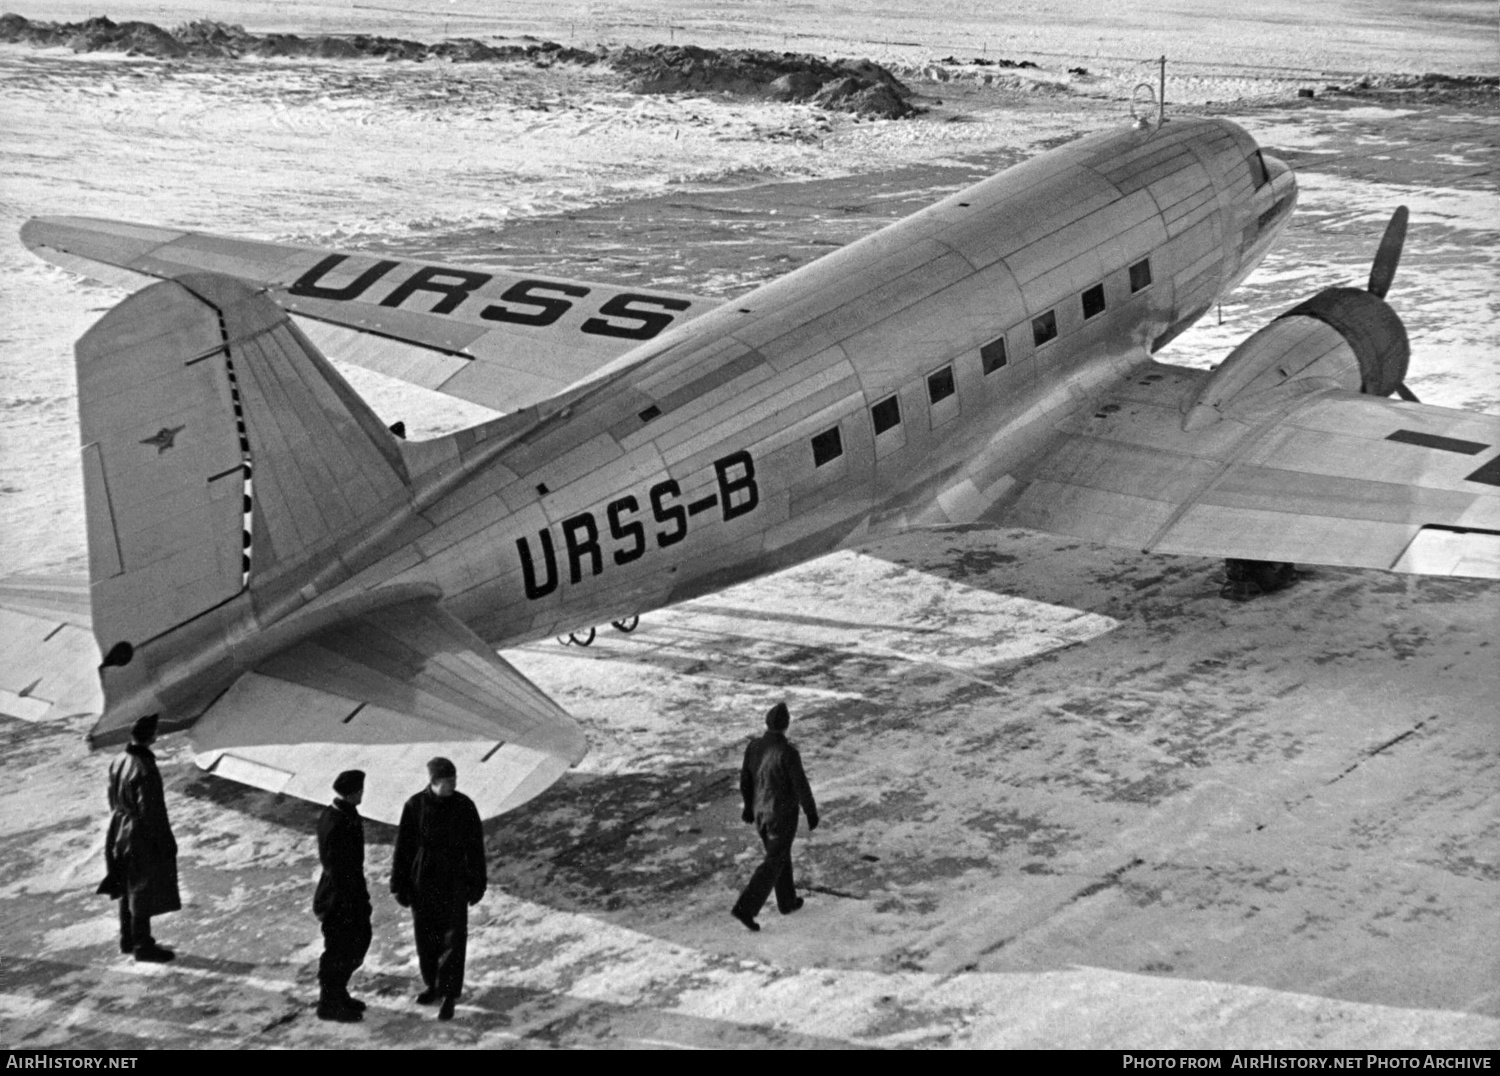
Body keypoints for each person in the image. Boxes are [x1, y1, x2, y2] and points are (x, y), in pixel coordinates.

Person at [390, 758, 487, 1021]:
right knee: (426, 937)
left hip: (454, 880)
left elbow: (475, 848)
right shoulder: (415, 806)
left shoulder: (465, 806)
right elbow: (404, 848)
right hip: (423, 880)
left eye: (455, 781)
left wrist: (478, 883)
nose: (453, 786)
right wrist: (398, 884)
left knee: (454, 940)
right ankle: (432, 985)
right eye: (448, 782)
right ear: (434, 782)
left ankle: (449, 995)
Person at [98, 714, 181, 962]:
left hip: (119, 829)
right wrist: (166, 843)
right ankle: (143, 946)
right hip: (139, 835)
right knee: (142, 890)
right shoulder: (145, 767)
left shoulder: (120, 759)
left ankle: (128, 939)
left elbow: (112, 795)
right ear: (152, 735)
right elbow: (152, 811)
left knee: (127, 886)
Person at [731, 702, 819, 932]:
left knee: (779, 855)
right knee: (774, 860)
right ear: (786, 725)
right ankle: (746, 908)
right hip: (782, 815)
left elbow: (745, 780)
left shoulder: (754, 747)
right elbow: (801, 786)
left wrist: (749, 808)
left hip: (760, 813)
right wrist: (810, 811)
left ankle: (787, 902)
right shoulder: (788, 753)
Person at [313, 769, 373, 1022]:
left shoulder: (340, 814)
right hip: (340, 900)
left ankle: (338, 994)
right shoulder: (338, 823)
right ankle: (329, 1003)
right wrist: (354, 902)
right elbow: (339, 870)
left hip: (345, 895)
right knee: (340, 951)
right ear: (354, 793)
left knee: (352, 946)